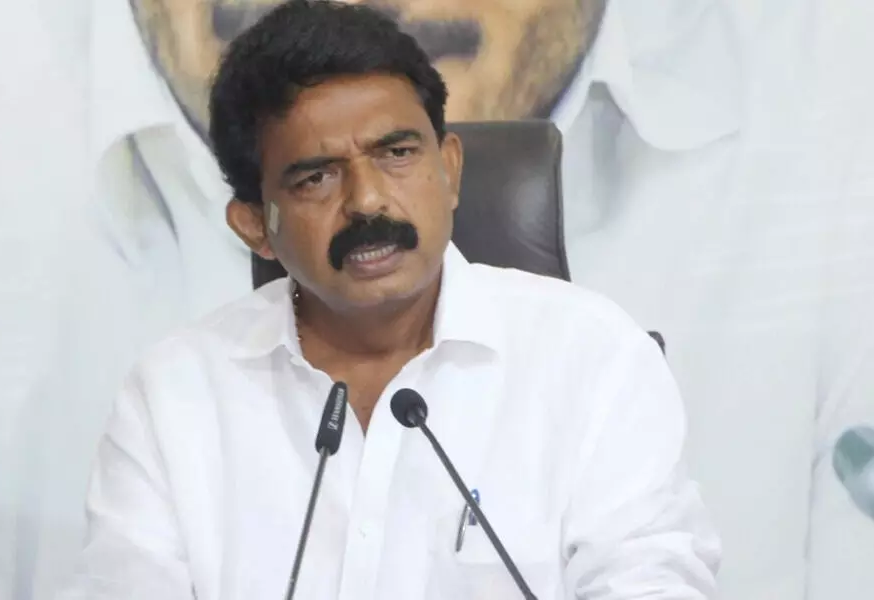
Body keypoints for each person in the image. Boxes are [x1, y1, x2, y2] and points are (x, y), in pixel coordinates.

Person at [57, 2, 720, 598]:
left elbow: (653, 581)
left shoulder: (593, 360)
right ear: (256, 225)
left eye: (397, 153)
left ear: (449, 169)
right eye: (316, 177)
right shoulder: (174, 398)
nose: (368, 200)